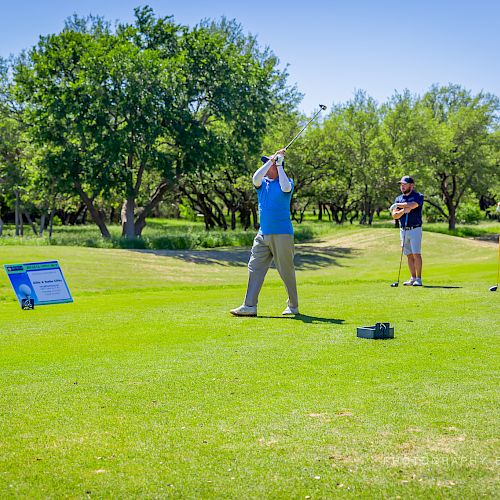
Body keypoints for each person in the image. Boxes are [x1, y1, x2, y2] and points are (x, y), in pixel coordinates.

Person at [230, 149, 299, 316]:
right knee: (254, 267)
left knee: (286, 270)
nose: (266, 166)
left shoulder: (287, 181)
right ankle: (249, 306)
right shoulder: (262, 184)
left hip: (282, 234)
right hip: (263, 234)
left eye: (269, 164)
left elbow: (285, 187)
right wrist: (271, 160)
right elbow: (255, 177)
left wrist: (279, 164)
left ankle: (293, 306)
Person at [391, 176, 425, 286]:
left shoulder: (418, 196)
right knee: (409, 255)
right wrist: (404, 210)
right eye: (401, 184)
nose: (402, 186)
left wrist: (398, 206)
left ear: (411, 185)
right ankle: (413, 277)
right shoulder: (399, 198)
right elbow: (395, 215)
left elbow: (413, 205)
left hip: (415, 229)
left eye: (404, 184)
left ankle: (418, 279)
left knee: (416, 254)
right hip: (403, 230)